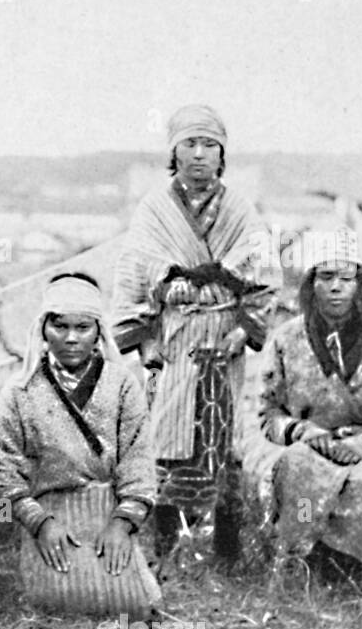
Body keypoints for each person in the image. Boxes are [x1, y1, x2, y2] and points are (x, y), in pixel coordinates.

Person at [111, 104, 281, 566]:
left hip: (222, 339)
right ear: (174, 152)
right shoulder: (154, 210)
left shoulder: (240, 209)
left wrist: (243, 331)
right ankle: (165, 548)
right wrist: (146, 339)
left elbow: (264, 274)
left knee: (222, 436)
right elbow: (133, 272)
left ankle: (226, 550)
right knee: (166, 437)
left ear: (222, 154)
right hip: (173, 339)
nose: (200, 154)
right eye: (190, 144)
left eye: (210, 145)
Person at [0, 273, 160, 616]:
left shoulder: (123, 386)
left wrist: (123, 524)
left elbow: (138, 462)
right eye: (60, 326)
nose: (70, 338)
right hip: (49, 517)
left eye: (82, 328)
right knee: (51, 602)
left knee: (134, 603)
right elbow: (1, 476)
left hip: (108, 512)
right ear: (43, 329)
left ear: (98, 333)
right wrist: (39, 524)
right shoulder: (20, 391)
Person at [256, 229, 362, 583]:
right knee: (298, 480)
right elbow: (267, 411)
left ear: (360, 285)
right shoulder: (286, 339)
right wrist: (301, 431)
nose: (335, 287)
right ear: (310, 284)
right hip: (310, 449)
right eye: (325, 277)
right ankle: (299, 561)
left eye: (346, 279)